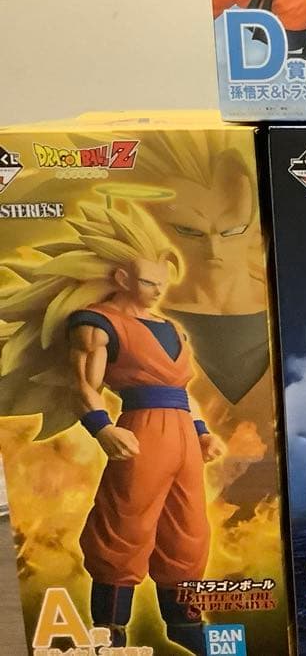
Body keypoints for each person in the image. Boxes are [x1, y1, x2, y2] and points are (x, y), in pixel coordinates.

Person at [0, 203, 224, 654]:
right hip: (141, 430)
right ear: (122, 278)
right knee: (124, 524)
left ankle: (184, 623)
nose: (157, 291)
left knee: (188, 530)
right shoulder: (97, 323)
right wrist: (102, 428)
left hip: (183, 434)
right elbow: (84, 386)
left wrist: (202, 430)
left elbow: (182, 389)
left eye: (161, 283)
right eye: (148, 283)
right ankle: (110, 629)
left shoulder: (171, 327)